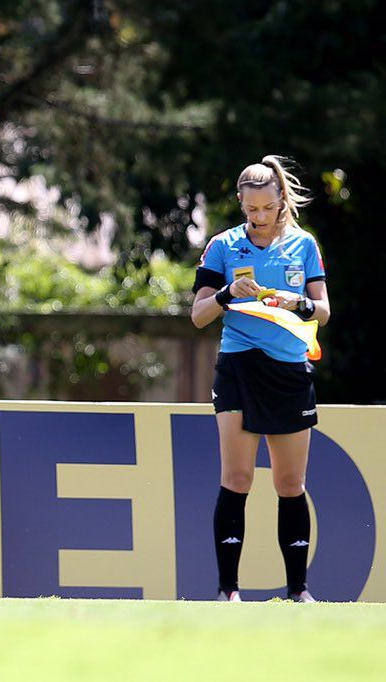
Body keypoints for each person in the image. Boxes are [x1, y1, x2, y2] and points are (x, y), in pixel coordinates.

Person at [191, 155, 330, 603]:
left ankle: (298, 592)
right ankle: (227, 591)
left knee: (290, 484)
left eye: (266, 209)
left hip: (288, 369)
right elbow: (198, 315)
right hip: (238, 365)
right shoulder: (223, 246)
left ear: (281, 201)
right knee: (236, 477)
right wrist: (228, 294)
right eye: (250, 209)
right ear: (241, 203)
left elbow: (323, 311)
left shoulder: (304, 244)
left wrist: (297, 303)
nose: (258, 218)